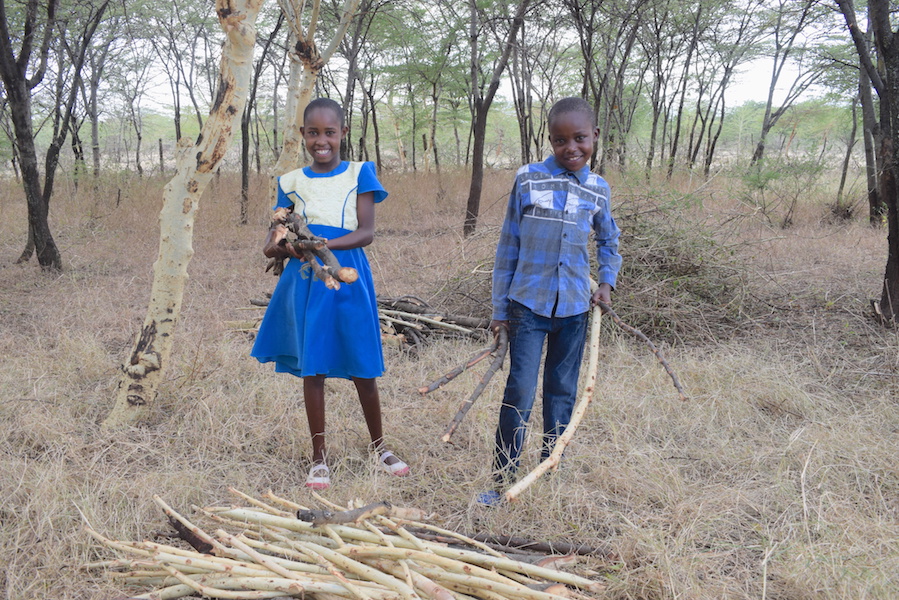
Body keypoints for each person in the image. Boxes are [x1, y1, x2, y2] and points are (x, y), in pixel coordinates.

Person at [251, 97, 409, 490]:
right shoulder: (290, 181)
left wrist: (322, 245)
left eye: (330, 132)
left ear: (342, 133)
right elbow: (275, 239)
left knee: (363, 365)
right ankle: (319, 459)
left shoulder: (360, 173)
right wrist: (287, 246)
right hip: (306, 279)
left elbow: (366, 233)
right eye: (313, 133)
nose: (322, 140)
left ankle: (380, 446)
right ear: (302, 134)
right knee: (313, 366)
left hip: (346, 276)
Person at [478, 97, 622, 506]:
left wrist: (606, 284)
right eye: (561, 140)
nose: (571, 148)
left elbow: (610, 240)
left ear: (594, 136)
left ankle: (548, 471)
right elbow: (508, 244)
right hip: (527, 306)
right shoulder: (528, 179)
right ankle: (502, 478)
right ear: (550, 140)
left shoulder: (597, 188)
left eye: (580, 138)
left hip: (575, 308)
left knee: (562, 390)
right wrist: (499, 310)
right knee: (519, 391)